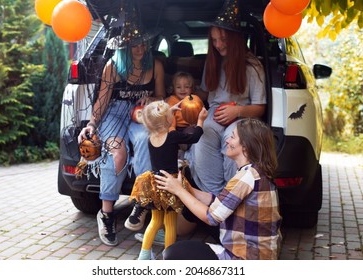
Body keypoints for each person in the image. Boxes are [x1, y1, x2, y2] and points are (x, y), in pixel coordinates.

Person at [77, 9, 165, 246]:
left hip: (141, 114)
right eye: (135, 45)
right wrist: (92, 124)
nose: (140, 49)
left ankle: (141, 204)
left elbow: (161, 96)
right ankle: (106, 213)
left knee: (148, 141)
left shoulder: (155, 64)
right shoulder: (113, 67)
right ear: (125, 46)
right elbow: (102, 101)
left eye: (143, 43)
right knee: (116, 152)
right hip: (114, 113)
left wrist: (153, 101)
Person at [185, 0, 266, 224]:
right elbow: (205, 94)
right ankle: (216, 201)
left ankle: (233, 202)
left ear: (236, 38)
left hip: (242, 117)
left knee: (234, 142)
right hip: (213, 115)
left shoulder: (252, 66)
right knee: (201, 139)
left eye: (223, 39)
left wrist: (238, 110)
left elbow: (260, 108)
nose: (219, 44)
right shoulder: (213, 62)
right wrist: (183, 95)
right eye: (214, 40)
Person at [155, 118, 282, 260]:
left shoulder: (246, 177)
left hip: (245, 258)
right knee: (192, 212)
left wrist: (179, 190)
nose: (227, 141)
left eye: (232, 137)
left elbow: (211, 217)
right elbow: (221, 203)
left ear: (245, 146)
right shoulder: (254, 172)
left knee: (173, 253)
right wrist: (188, 189)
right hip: (258, 255)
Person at [129, 100, 207, 260]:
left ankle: (143, 256)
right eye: (171, 115)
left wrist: (167, 111)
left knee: (155, 221)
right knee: (170, 223)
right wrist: (200, 120)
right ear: (167, 120)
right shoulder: (172, 136)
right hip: (170, 184)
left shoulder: (151, 137)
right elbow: (194, 137)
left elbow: (157, 121)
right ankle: (168, 257)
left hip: (155, 183)